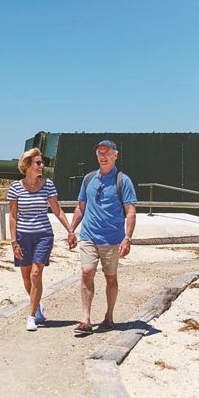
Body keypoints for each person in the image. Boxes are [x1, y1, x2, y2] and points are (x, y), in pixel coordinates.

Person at [69, 139, 137, 336]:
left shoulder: (123, 181)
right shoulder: (89, 179)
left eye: (106, 152)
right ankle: (86, 319)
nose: (102, 156)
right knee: (86, 271)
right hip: (89, 235)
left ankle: (109, 316)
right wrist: (72, 229)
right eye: (99, 152)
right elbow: (81, 206)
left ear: (115, 155)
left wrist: (128, 238)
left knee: (110, 277)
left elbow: (130, 211)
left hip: (112, 239)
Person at [8, 148, 78, 331]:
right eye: (38, 163)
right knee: (26, 278)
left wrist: (70, 230)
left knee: (36, 274)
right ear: (28, 165)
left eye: (42, 163)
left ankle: (31, 317)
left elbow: (57, 210)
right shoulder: (16, 187)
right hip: (22, 236)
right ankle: (37, 306)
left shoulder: (48, 185)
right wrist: (13, 241)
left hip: (43, 235)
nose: (42, 166)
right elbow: (13, 217)